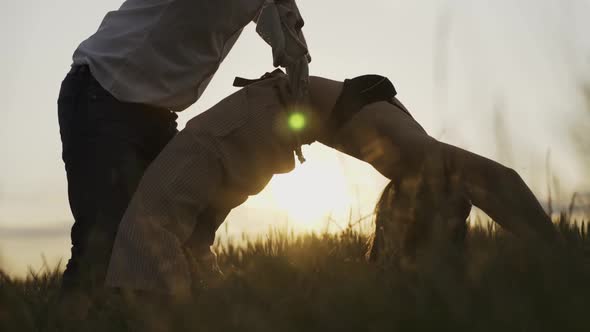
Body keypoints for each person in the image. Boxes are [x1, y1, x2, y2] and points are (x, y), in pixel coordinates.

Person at [103, 70, 559, 297]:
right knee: (160, 235)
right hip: (262, 120)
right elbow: (500, 179)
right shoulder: (418, 155)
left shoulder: (408, 151)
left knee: (167, 237)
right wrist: (562, 256)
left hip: (261, 128)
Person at [57, 0, 310, 300]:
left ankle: (187, 316)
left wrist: (297, 69)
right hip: (103, 92)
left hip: (156, 114)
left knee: (187, 233)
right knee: (102, 246)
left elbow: (283, 28)